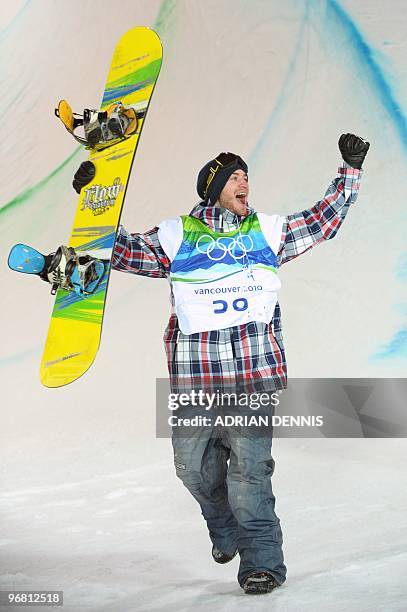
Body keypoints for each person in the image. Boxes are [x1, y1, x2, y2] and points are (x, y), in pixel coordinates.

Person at [79, 134, 370, 594]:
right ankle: (226, 528)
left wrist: (349, 169)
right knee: (191, 468)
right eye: (235, 176)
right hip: (196, 380)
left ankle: (262, 564)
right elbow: (126, 251)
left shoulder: (265, 232)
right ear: (213, 187)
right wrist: (93, 206)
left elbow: (320, 222)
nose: (245, 182)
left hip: (252, 378)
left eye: (246, 175)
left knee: (249, 475)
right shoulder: (178, 235)